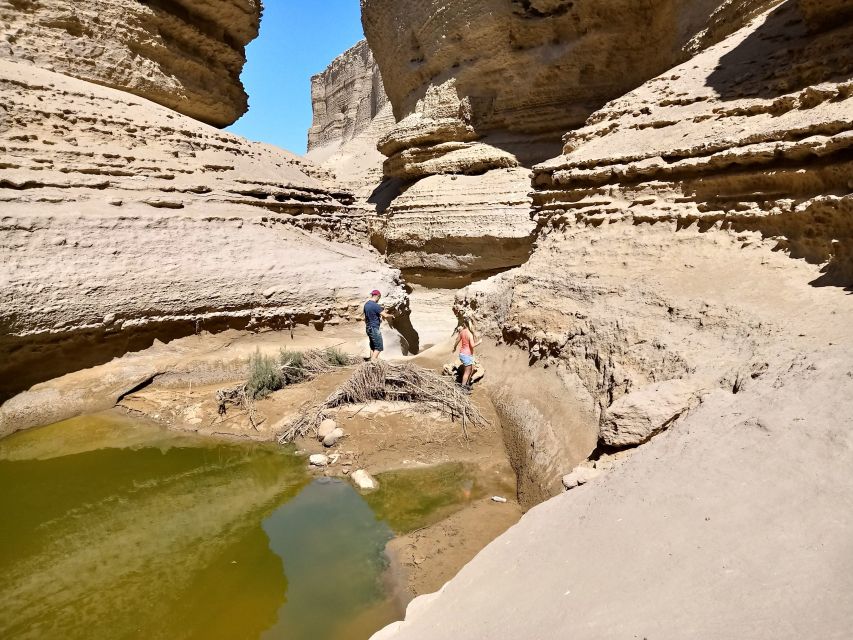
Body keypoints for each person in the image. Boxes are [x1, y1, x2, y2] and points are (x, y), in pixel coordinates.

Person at [452, 315, 481, 393]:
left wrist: (454, 348)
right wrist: (479, 342)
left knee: (472, 367)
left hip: (463, 354)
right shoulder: (470, 334)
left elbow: (457, 340)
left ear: (465, 324)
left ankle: (467, 384)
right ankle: (463, 388)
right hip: (466, 355)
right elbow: (472, 345)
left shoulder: (462, 332)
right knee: (467, 372)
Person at [364, 289, 393, 360]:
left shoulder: (366, 305)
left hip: (368, 327)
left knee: (373, 346)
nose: (378, 300)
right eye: (379, 298)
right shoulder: (375, 306)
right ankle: (373, 362)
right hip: (374, 328)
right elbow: (385, 315)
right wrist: (392, 315)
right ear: (377, 296)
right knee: (379, 347)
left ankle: (371, 359)